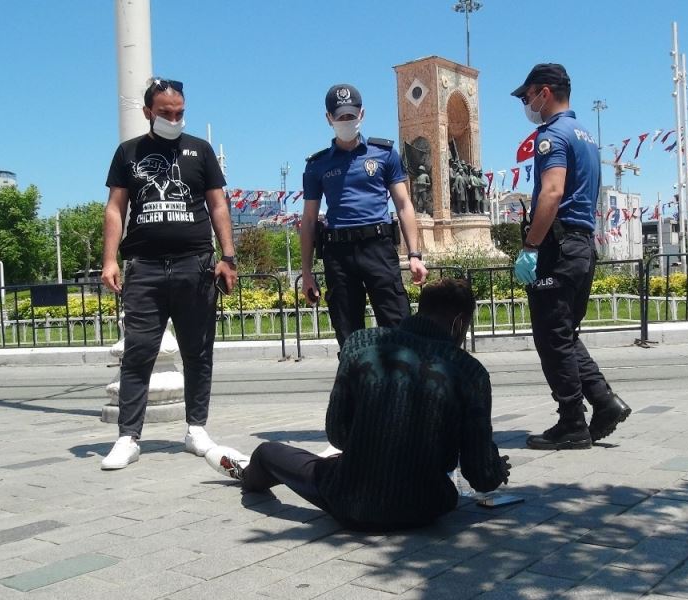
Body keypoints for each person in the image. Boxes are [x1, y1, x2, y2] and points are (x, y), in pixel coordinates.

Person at [205, 278, 511, 531]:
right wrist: (495, 467)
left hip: (350, 499)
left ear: (421, 310)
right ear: (460, 322)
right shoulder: (470, 372)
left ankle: (248, 475)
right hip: (425, 507)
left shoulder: (361, 344)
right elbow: (481, 476)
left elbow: (337, 433)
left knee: (270, 452)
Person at [100, 77, 238, 470]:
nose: (173, 119)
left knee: (198, 351)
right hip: (143, 268)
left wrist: (228, 257)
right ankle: (128, 437)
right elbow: (115, 208)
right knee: (138, 352)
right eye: (165, 113)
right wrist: (110, 260)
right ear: (148, 112)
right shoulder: (128, 153)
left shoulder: (201, 150)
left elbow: (219, 206)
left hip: (195, 265)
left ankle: (196, 429)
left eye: (179, 113)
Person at [510, 64, 630, 450]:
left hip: (557, 248)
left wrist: (530, 246)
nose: (526, 103)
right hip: (581, 245)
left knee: (551, 337)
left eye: (528, 96)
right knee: (563, 332)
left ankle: (572, 422)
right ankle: (604, 402)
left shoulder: (552, 136)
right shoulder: (585, 137)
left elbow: (551, 193)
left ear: (545, 93)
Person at [300, 83, 428, 348]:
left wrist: (414, 256)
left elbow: (404, 205)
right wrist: (307, 272)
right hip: (339, 254)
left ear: (362, 114)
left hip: (378, 248)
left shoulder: (384, 155)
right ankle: (356, 388)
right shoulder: (317, 165)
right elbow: (310, 220)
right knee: (349, 339)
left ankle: (401, 388)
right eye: (340, 116)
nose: (346, 121)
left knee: (399, 331)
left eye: (351, 115)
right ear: (329, 118)